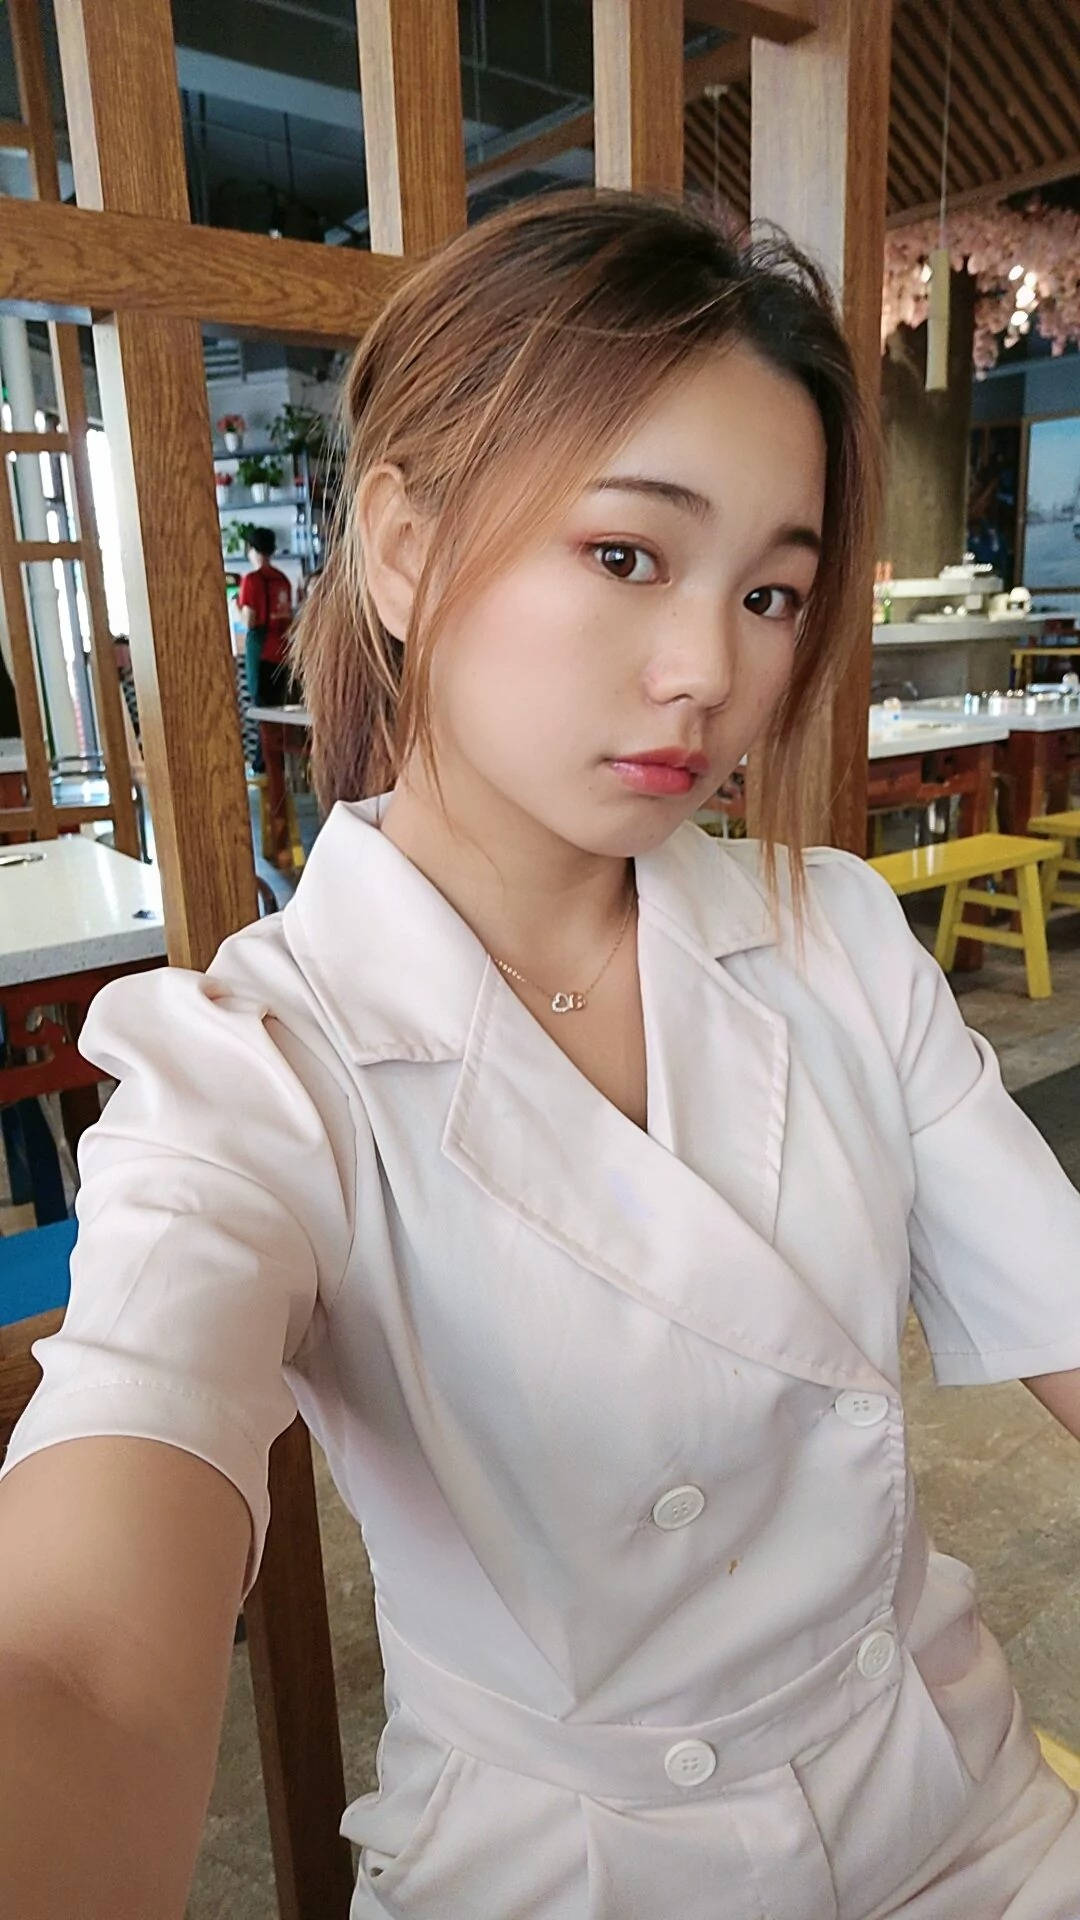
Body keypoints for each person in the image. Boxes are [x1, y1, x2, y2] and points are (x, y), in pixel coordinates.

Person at [1, 191, 1079, 1920]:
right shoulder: (256, 1070)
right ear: (404, 546)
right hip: (573, 1871)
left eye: (773, 591)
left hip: (955, 1802)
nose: (707, 671)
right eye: (628, 555)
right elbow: (77, 1661)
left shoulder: (832, 936)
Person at [239, 527, 294, 764]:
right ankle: (276, 764)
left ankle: (263, 764)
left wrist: (237, 606)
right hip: (282, 651)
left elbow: (249, 621)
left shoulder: (251, 580)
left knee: (262, 711)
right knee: (278, 711)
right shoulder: (282, 580)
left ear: (251, 549)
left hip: (260, 652)